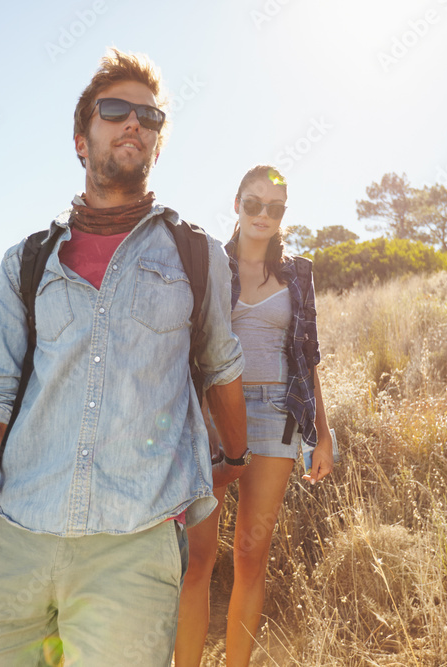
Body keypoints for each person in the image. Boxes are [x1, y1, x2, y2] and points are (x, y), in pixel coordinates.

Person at [0, 49, 250, 667]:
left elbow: (219, 367)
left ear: (158, 144)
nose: (135, 122)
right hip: (17, 539)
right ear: (81, 139)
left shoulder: (198, 255)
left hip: (133, 550)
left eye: (149, 117)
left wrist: (234, 458)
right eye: (116, 110)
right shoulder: (27, 262)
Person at [175, 165, 335, 666]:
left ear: (283, 213)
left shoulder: (299, 274)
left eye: (275, 206)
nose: (263, 214)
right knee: (197, 559)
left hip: (278, 417)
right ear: (237, 204)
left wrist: (322, 435)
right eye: (253, 203)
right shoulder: (209, 268)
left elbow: (306, 358)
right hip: (215, 418)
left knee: (250, 555)